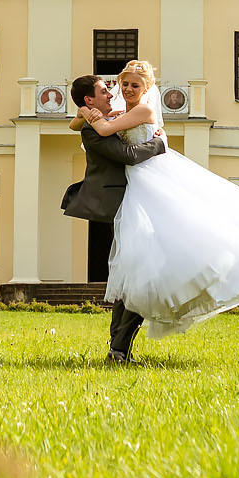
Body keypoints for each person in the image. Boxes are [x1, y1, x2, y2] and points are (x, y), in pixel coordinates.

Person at [79, 59, 239, 338]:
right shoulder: (123, 111)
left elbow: (107, 131)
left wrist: (95, 117)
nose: (128, 89)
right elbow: (79, 124)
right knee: (177, 245)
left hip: (153, 176)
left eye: (135, 85)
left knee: (202, 230)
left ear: (146, 88)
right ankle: (123, 335)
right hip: (139, 182)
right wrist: (86, 110)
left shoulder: (142, 109)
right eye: (125, 84)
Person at [60, 72, 168, 362]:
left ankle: (117, 349)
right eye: (103, 91)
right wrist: (159, 144)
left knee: (131, 278)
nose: (111, 93)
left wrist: (84, 113)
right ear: (89, 99)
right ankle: (118, 348)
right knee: (137, 278)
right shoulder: (93, 131)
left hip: (137, 204)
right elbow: (129, 155)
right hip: (121, 206)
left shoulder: (108, 120)